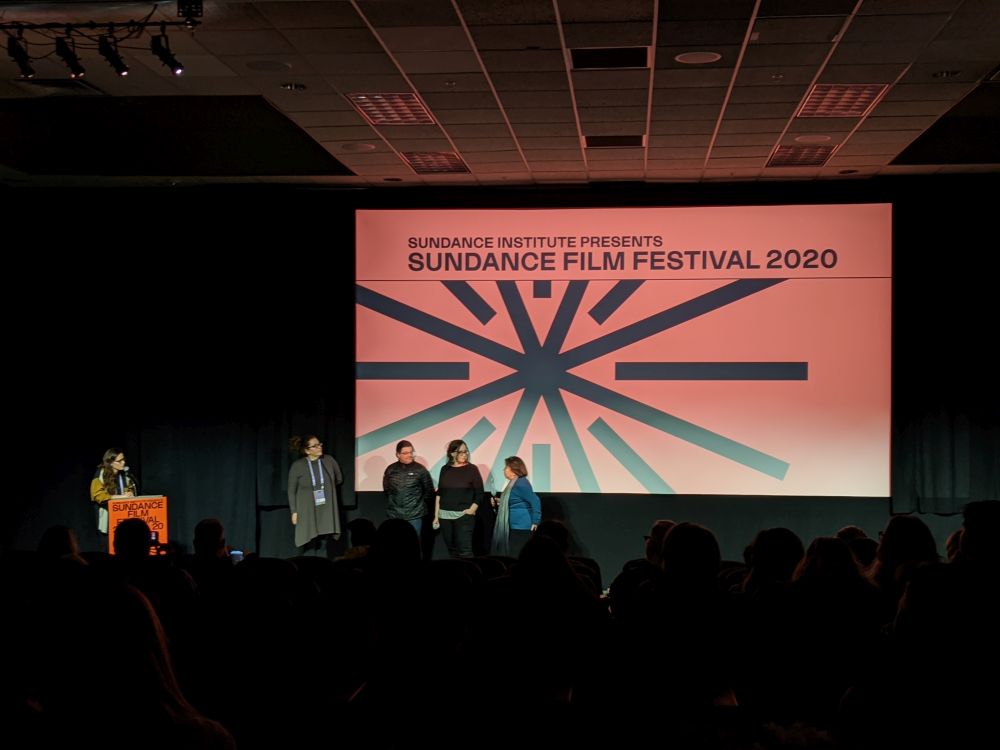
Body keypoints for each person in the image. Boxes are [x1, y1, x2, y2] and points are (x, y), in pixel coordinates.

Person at [287, 435, 343, 555]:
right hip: (307, 509)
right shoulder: (298, 465)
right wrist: (294, 511)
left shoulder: (329, 460)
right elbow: (291, 491)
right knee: (310, 542)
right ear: (307, 450)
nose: (319, 447)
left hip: (325, 507)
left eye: (320, 444)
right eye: (315, 446)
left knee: (324, 541)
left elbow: (339, 479)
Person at [433, 439, 482, 558]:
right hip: (444, 516)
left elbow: (479, 493)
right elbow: (440, 493)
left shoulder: (472, 469)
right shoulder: (445, 469)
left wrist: (471, 510)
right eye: (461, 452)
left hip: (463, 516)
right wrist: (436, 516)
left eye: (466, 451)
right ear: (452, 453)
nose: (465, 454)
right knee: (452, 550)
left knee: (465, 551)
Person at [491, 455, 541, 558]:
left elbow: (535, 501)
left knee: (517, 554)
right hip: (515, 525)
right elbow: (514, 501)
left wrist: (536, 520)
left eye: (506, 467)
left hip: (522, 526)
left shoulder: (521, 483)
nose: (503, 470)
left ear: (513, 470)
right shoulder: (513, 483)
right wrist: (499, 502)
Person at [382, 440, 434, 537]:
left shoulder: (420, 469)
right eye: (405, 453)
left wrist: (417, 505)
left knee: (413, 546)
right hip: (394, 515)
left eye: (411, 452)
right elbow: (387, 490)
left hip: (414, 515)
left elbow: (429, 492)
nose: (410, 455)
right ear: (397, 454)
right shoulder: (391, 469)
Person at [90, 448, 136, 534]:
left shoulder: (124, 474)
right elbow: (98, 496)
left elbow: (129, 488)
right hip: (108, 520)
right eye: (119, 461)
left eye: (124, 459)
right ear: (111, 462)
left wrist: (130, 492)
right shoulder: (100, 475)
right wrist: (121, 497)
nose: (123, 463)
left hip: (124, 517)